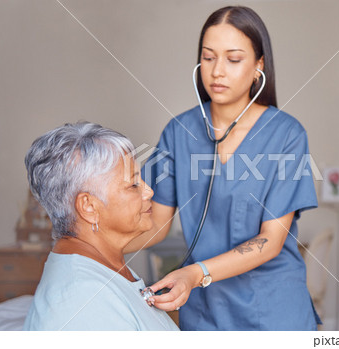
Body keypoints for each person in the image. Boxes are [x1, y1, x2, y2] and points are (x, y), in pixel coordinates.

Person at [125, 6, 320, 330]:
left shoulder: (287, 134)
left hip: (273, 310)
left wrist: (194, 273)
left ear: (259, 65)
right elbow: (156, 224)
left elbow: (271, 241)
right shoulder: (178, 132)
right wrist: (91, 249)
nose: (217, 71)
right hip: (204, 312)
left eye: (233, 59)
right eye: (209, 57)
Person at [23, 122, 178, 331]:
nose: (149, 191)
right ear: (88, 206)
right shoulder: (82, 298)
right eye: (133, 185)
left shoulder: (105, 266)